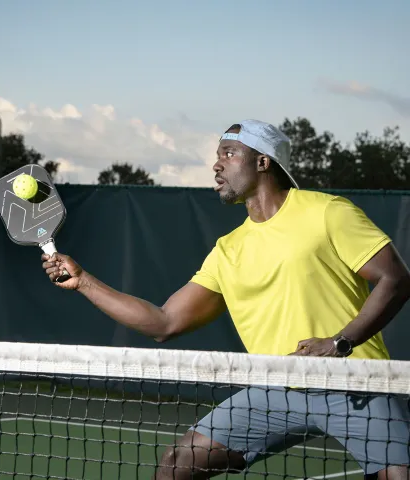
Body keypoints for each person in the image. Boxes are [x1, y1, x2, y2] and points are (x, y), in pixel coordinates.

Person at [42, 119, 410, 480]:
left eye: (230, 154)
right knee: (177, 463)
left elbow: (395, 279)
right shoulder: (228, 250)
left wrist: (338, 342)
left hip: (355, 381)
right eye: (217, 155)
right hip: (278, 388)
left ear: (263, 162)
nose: (217, 164)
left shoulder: (328, 212)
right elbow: (164, 322)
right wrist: (84, 281)